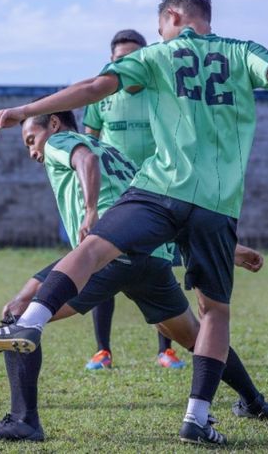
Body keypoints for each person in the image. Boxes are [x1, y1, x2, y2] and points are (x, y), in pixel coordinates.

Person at [0, 0, 268, 445]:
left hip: (158, 189)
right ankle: (198, 417)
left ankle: (30, 328)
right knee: (212, 315)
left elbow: (90, 87)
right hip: (214, 206)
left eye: (159, 25)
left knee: (93, 248)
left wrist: (24, 108)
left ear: (173, 19)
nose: (159, 33)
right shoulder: (241, 51)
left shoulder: (157, 57)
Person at [0, 109, 268, 442]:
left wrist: (90, 211)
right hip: (151, 261)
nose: (32, 151)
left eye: (31, 139)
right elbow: (158, 216)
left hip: (106, 255)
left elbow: (85, 161)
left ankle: (23, 419)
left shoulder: (61, 140)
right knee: (196, 336)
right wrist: (232, 251)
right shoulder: (117, 155)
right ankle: (255, 402)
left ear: (54, 124)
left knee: (19, 313)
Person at [82, 29, 184, 372]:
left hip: (158, 193)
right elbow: (89, 146)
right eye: (119, 59)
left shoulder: (163, 92)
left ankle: (166, 350)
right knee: (102, 264)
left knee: (161, 266)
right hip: (116, 196)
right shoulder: (102, 95)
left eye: (134, 57)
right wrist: (90, 200)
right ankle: (102, 351)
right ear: (112, 61)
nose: (127, 64)